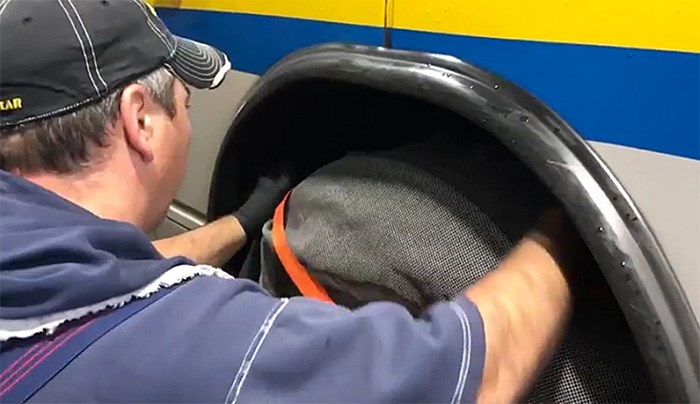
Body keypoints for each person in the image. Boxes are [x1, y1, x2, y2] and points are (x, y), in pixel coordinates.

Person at [0, 1, 583, 402]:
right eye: (185, 98)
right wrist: (564, 233)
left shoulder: (33, 254)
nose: (189, 113)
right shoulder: (183, 354)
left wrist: (240, 223)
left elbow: (106, 278)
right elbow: (467, 375)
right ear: (141, 120)